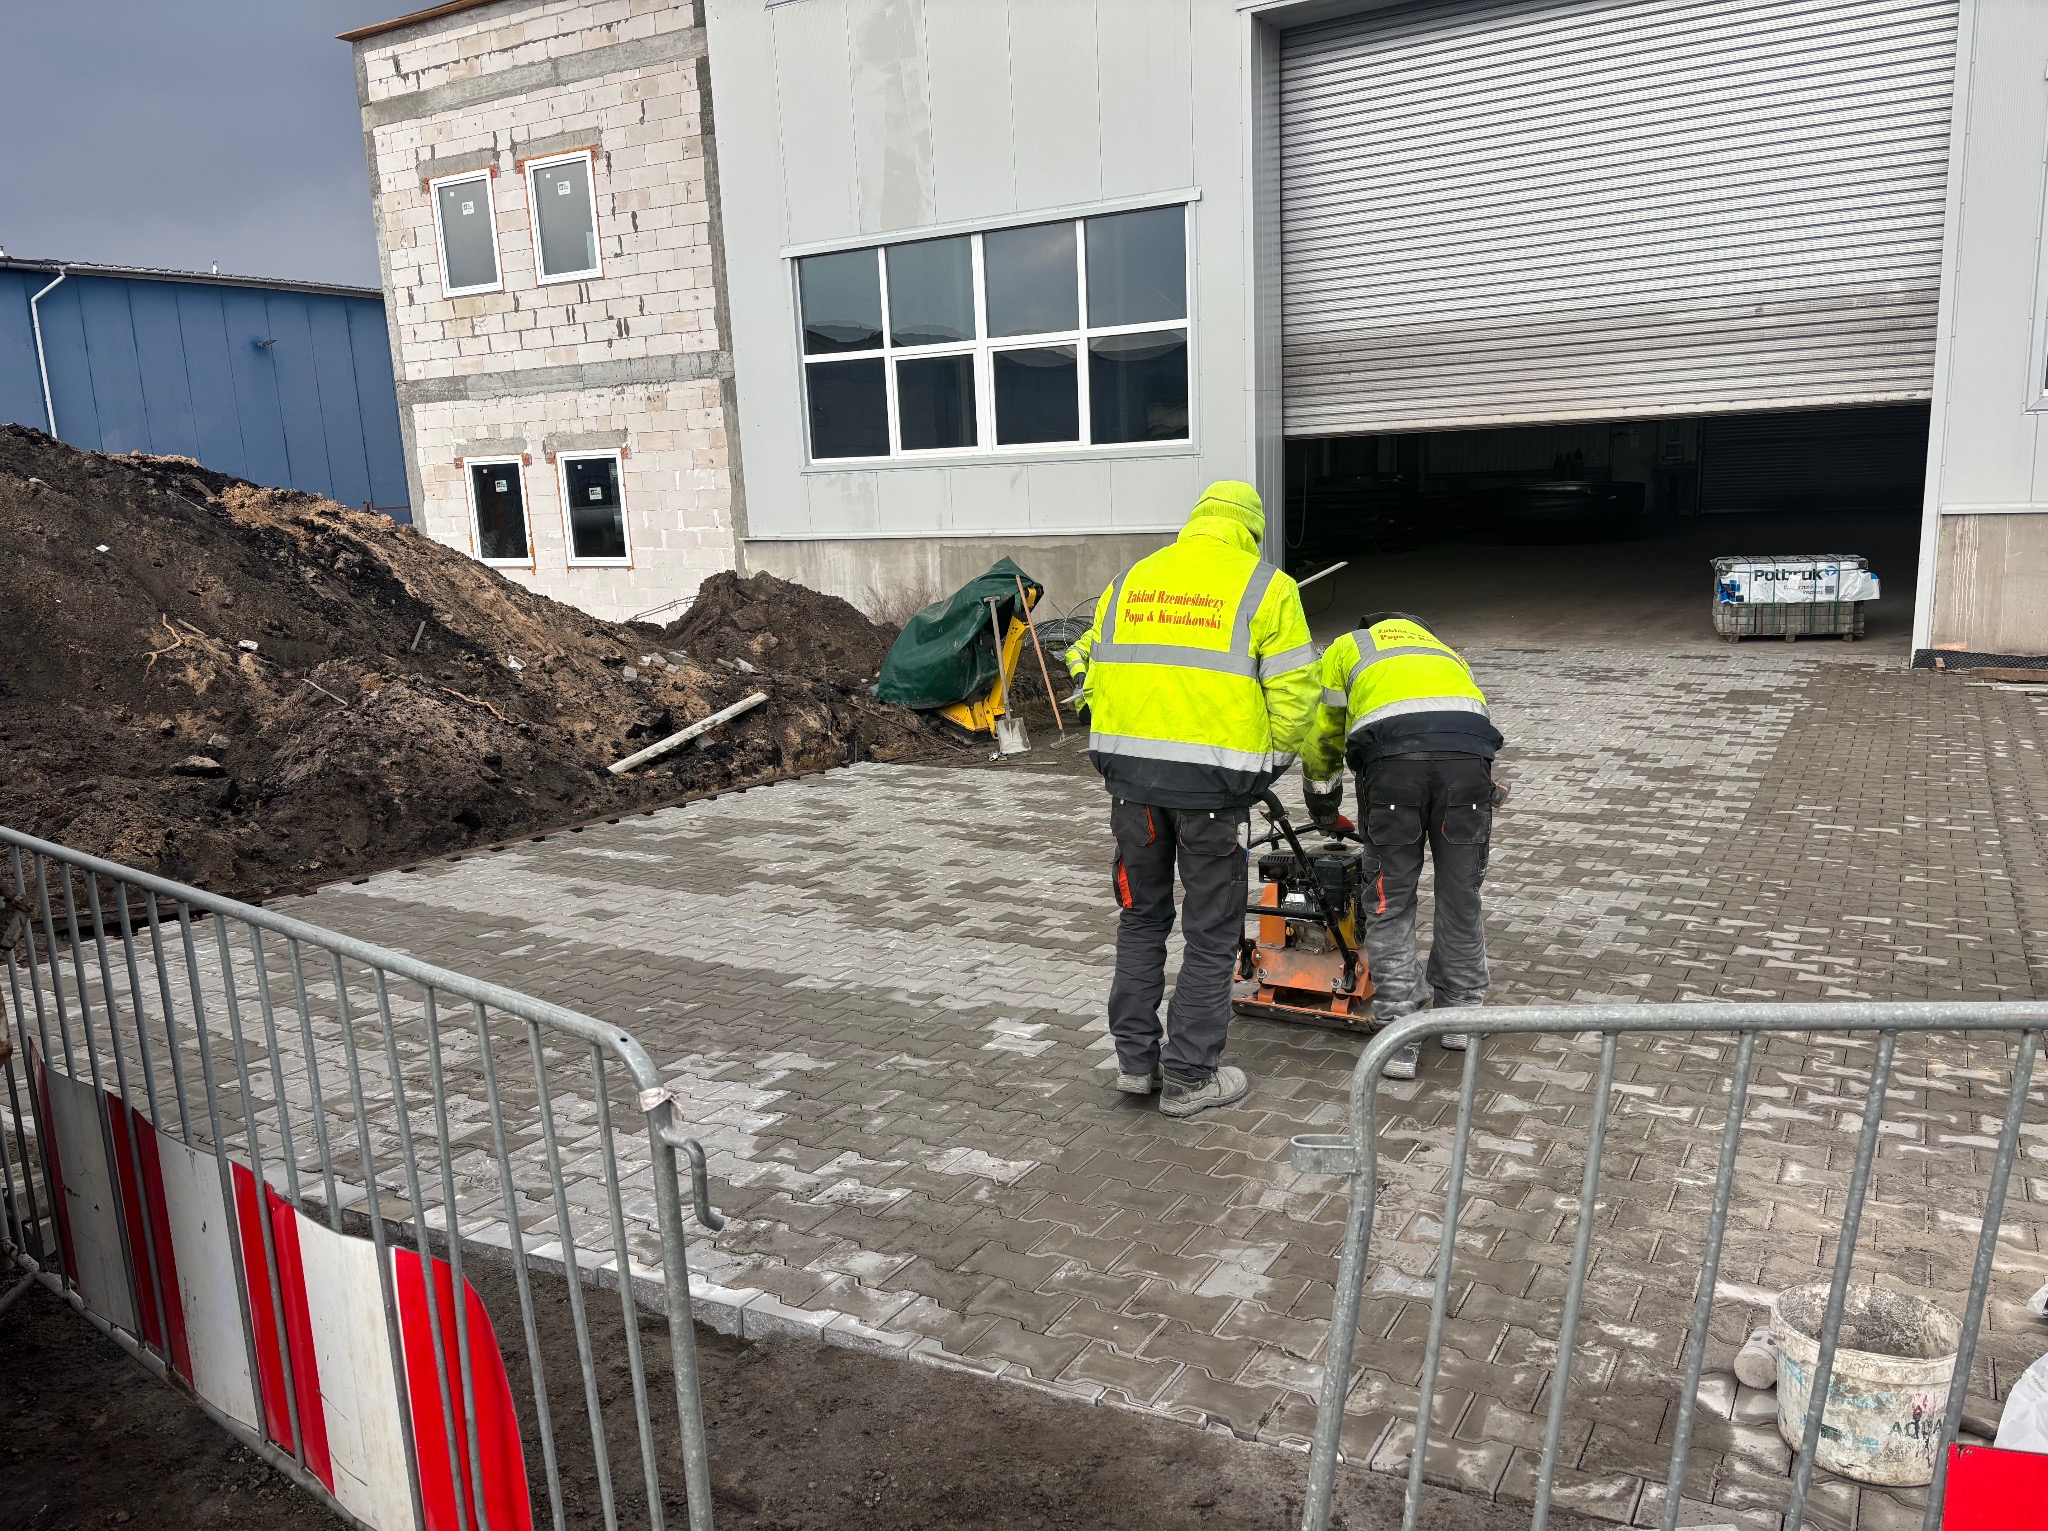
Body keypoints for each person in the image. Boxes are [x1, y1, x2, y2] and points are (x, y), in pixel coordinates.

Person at [1065, 481, 1318, 1118]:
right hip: (1213, 795)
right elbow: (1295, 699)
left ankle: (1134, 1065)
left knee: (1141, 921)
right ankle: (1188, 1077)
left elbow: (1088, 668)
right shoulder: (1267, 587)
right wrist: (1267, 767)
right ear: (1251, 531)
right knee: (1211, 937)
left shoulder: (1132, 581)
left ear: (1195, 523)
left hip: (1132, 792)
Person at [1299, 612, 1504, 1080]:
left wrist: (1323, 805)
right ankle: (1461, 1015)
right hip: (1467, 770)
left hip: (1393, 773)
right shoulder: (1444, 651)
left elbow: (1324, 733)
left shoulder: (1348, 647)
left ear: (1369, 625)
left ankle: (1400, 1031)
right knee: (1461, 892)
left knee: (1390, 901)